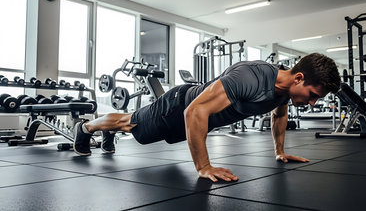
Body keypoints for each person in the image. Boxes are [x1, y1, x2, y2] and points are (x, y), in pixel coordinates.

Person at [73, 52, 341, 182]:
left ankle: (106, 129)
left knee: (134, 129)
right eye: (313, 94)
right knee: (130, 123)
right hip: (178, 106)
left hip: (194, 117)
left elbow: (279, 113)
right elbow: (195, 111)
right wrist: (203, 167)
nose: (313, 102)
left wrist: (279, 151)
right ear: (299, 77)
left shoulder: (285, 93)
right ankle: (85, 128)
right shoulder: (252, 76)